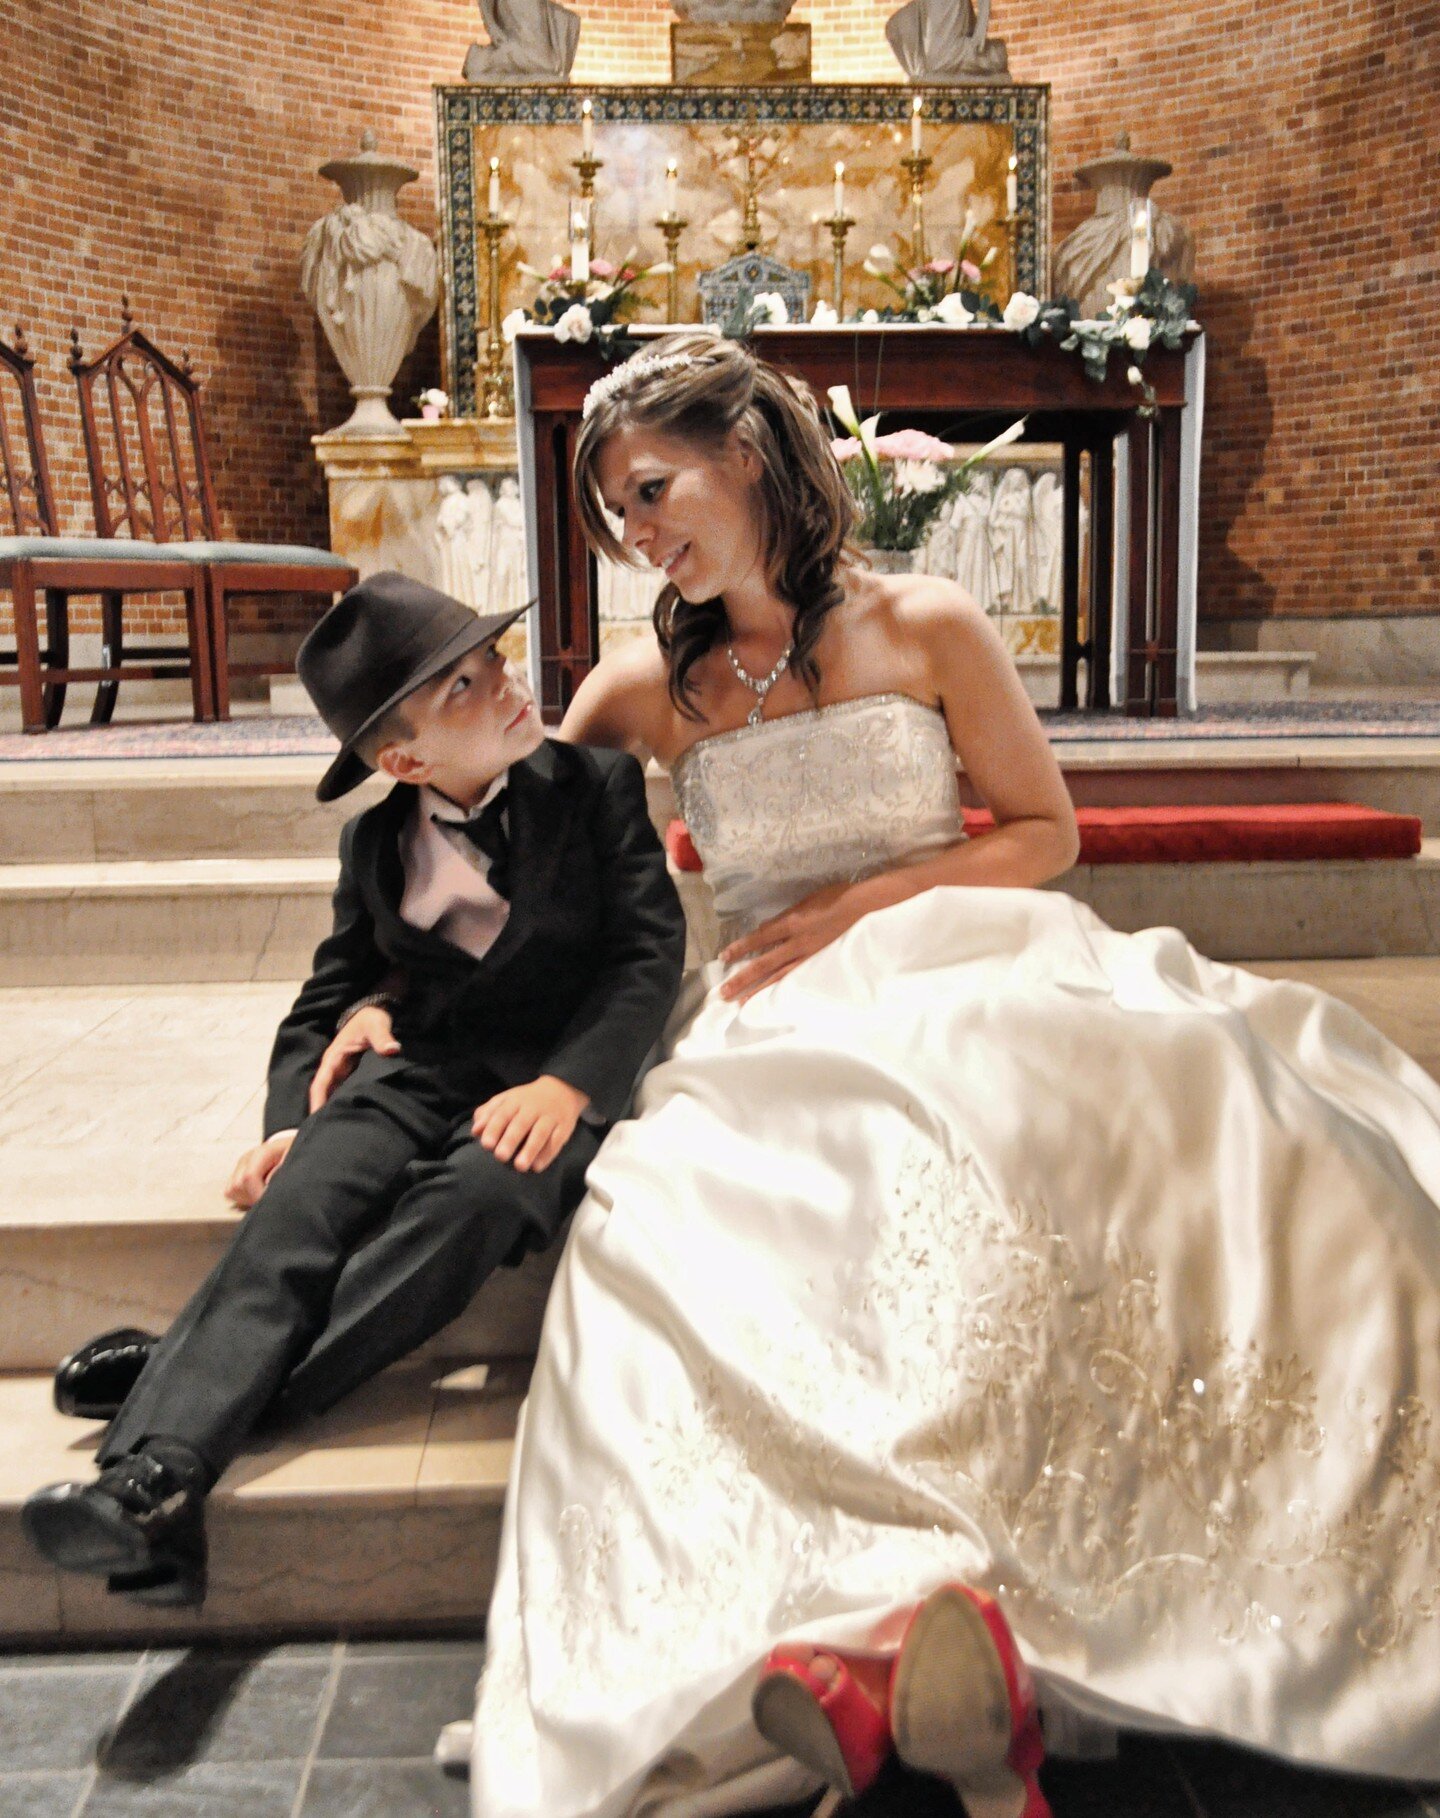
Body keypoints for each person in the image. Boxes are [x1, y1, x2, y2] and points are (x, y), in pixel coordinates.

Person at [416, 328, 1440, 1815]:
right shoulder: (639, 689)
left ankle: (1017, 1597)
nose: (639, 537)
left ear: (748, 456)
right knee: (697, 1205)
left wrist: (859, 908)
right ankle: (867, 1622)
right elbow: (504, 878)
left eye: (652, 491)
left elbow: (1046, 831)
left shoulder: (929, 621)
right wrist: (385, 1005)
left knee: (1167, 1105)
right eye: (617, 520)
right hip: (772, 1004)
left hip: (969, 947)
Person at [22, 571, 688, 1609]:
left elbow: (645, 958)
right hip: (412, 1066)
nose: (506, 686)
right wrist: (293, 1118)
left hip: (546, 1076)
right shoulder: (376, 843)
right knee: (303, 1205)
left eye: (492, 663)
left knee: (483, 1197)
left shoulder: (595, 787)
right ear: (404, 758)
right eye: (462, 688)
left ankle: (176, 1417)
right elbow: (330, 991)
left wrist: (571, 1087)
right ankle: (154, 1488)